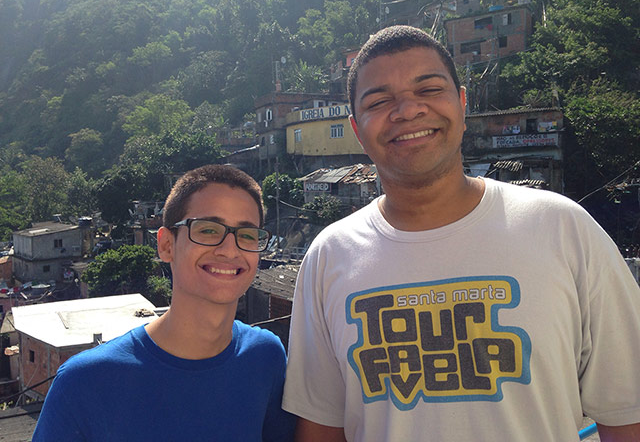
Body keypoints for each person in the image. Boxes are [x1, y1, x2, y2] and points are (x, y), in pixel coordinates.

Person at [282, 25, 640, 441]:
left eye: (429, 90)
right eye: (380, 101)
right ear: (357, 129)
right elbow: (321, 429)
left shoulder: (563, 228)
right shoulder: (330, 256)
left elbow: (627, 413)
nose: (407, 111)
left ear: (463, 103)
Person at [34, 164, 296, 441]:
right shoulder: (85, 383)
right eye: (207, 230)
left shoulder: (265, 358)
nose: (229, 250)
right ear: (166, 245)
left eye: (247, 235)